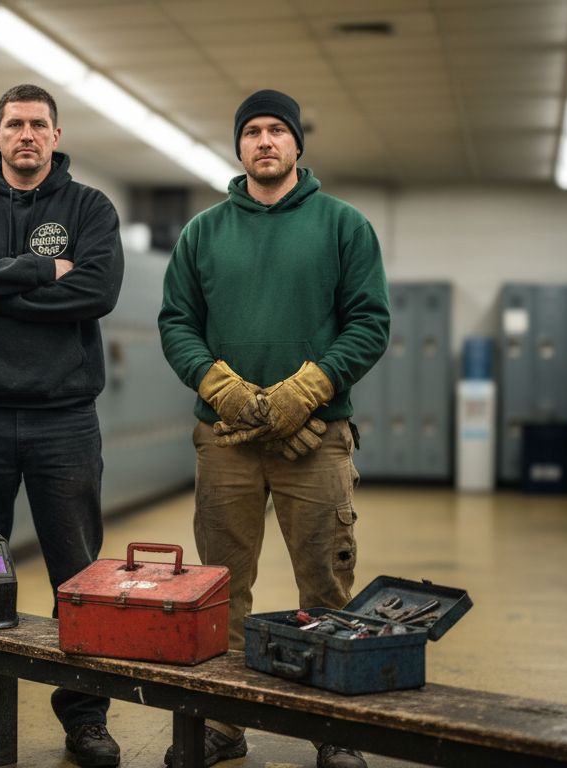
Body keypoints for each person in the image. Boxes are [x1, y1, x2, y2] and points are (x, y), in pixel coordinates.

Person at [157, 89, 390, 768]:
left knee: (325, 585)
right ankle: (226, 725)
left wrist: (311, 388)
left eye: (277, 131)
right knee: (222, 589)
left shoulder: (343, 226)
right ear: (238, 147)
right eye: (253, 131)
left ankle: (333, 729)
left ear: (297, 146)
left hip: (316, 441)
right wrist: (220, 387)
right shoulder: (203, 232)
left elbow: (369, 322)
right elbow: (176, 323)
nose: (265, 141)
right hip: (225, 442)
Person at [0, 83, 124, 767]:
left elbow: (96, 292)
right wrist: (40, 271)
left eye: (39, 124)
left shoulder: (90, 207)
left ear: (57, 135)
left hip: (63, 418)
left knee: (78, 571)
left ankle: (86, 715)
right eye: (15, 125)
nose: (27, 135)